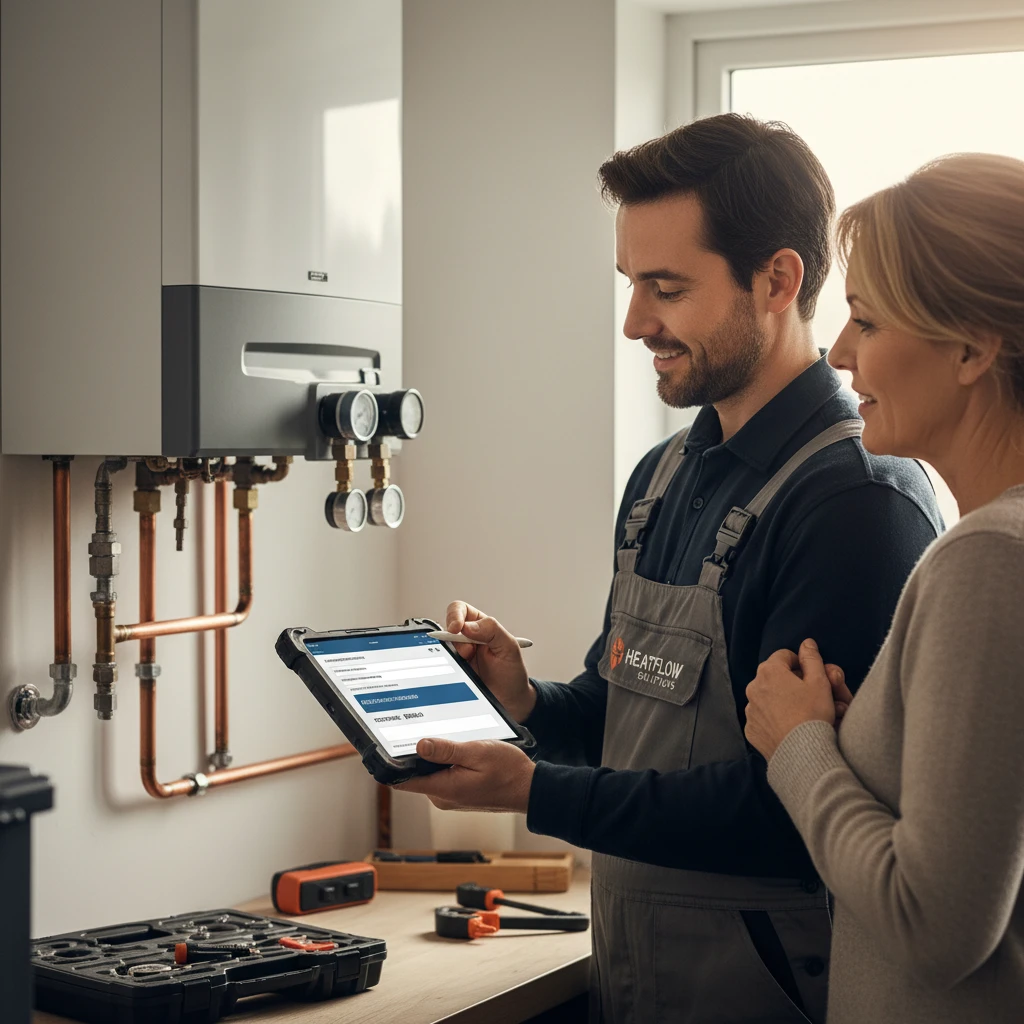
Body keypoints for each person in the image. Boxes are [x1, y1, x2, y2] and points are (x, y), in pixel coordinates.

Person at [397, 114, 943, 1023]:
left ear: (778, 280)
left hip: (770, 988)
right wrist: (526, 702)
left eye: (666, 288)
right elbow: (625, 716)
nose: (634, 322)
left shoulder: (857, 504)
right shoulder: (662, 478)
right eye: (631, 284)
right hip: (641, 975)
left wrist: (534, 792)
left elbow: (791, 812)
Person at [744, 152, 1024, 1024]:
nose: (836, 350)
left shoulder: (988, 561)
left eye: (866, 319)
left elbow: (933, 926)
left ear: (973, 347)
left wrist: (799, 746)